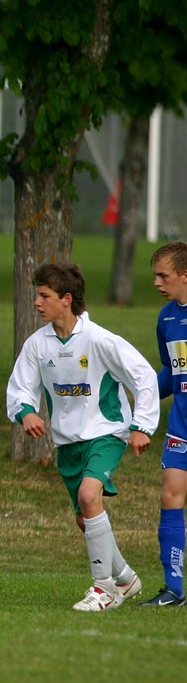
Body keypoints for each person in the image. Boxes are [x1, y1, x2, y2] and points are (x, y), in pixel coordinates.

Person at [5, 262, 156, 611]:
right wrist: (26, 412)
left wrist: (141, 427)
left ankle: (102, 589)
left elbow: (144, 377)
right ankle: (126, 578)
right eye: (37, 295)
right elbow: (19, 388)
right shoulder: (37, 344)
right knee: (83, 517)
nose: (37, 303)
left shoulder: (99, 340)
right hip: (67, 442)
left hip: (105, 433)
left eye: (44, 296)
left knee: (90, 496)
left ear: (66, 299)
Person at [145, 242, 187, 606]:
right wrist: (141, 405)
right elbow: (171, 374)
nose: (158, 282)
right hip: (181, 424)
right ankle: (174, 588)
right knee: (170, 494)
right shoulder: (167, 318)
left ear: (185, 275)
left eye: (164, 275)